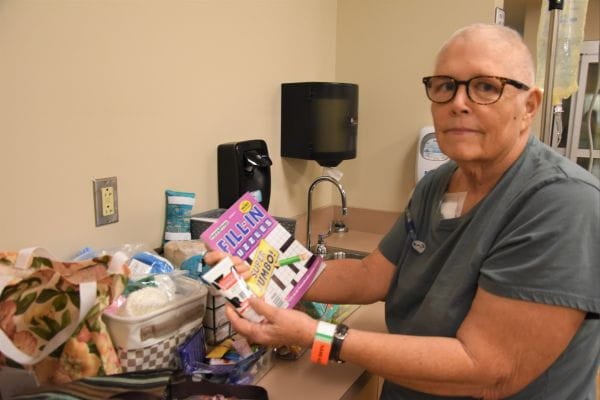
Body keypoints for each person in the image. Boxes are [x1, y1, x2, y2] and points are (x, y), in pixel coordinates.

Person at [204, 23, 600, 399]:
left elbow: (485, 369)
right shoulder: (437, 184)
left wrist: (317, 337)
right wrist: (259, 265)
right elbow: (368, 277)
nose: (458, 103)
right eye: (445, 86)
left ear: (530, 105)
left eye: (485, 87)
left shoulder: (562, 205)